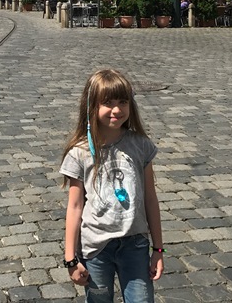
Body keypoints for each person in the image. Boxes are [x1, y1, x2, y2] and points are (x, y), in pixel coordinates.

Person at [60, 69, 164, 303]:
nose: (117, 110)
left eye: (123, 102)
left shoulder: (141, 146)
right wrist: (70, 258)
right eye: (107, 103)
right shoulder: (80, 152)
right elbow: (75, 207)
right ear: (92, 106)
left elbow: (150, 198)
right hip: (96, 248)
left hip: (135, 245)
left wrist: (158, 250)